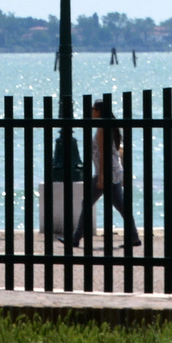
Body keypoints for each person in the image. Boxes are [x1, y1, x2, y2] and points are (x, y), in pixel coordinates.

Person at [66, 100, 141, 248]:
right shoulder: (109, 126)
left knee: (87, 203)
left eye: (94, 109)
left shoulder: (102, 128)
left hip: (106, 173)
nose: (92, 111)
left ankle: (75, 239)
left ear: (99, 111)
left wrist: (101, 177)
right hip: (113, 171)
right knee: (120, 205)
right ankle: (133, 237)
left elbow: (103, 154)